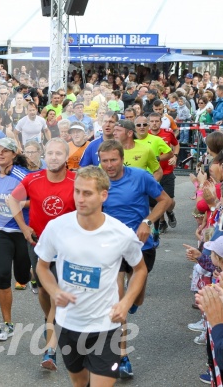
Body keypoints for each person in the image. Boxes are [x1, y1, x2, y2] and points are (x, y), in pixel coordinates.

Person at [36, 166, 147, 387]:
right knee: (79, 383)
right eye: (77, 191)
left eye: (87, 193)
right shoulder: (57, 227)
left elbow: (140, 269)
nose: (80, 198)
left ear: (103, 195)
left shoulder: (121, 233)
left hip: (105, 326)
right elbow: (42, 267)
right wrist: (55, 291)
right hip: (68, 324)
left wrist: (126, 302)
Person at [98, 139, 171, 378]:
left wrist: (148, 222)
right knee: (119, 302)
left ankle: (135, 296)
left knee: (137, 298)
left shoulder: (140, 177)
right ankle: (123, 357)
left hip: (141, 244)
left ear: (122, 159)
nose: (109, 165)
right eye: (104, 160)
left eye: (113, 160)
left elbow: (165, 201)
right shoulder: (98, 180)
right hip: (111, 248)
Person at [8, 137, 76, 370]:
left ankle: (50, 349)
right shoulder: (32, 178)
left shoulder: (76, 180)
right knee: (45, 292)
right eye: (50, 153)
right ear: (44, 157)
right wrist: (24, 227)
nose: (54, 157)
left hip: (67, 247)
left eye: (59, 153)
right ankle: (51, 322)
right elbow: (12, 200)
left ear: (67, 156)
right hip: (38, 243)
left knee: (56, 289)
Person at [0, 138, 31, 341]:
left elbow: (36, 200)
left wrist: (17, 202)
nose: (0, 154)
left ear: (14, 154)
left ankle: (31, 274)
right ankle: (7, 325)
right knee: (3, 275)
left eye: (5, 151)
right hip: (1, 231)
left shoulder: (24, 176)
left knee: (22, 277)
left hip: (22, 231)